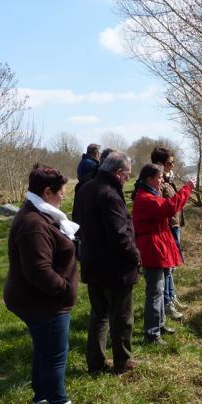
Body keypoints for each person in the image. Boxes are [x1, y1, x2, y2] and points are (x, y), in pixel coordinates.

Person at [3, 165, 88, 404]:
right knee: (54, 357)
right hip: (44, 303)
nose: (64, 197)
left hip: (39, 300)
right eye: (61, 192)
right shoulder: (34, 224)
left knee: (44, 352)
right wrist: (64, 289)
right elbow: (39, 271)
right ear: (47, 191)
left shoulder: (40, 214)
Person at [76, 151, 141, 374]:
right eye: (127, 175)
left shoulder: (86, 189)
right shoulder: (110, 195)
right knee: (122, 318)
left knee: (99, 315)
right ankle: (123, 362)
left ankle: (96, 362)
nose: (128, 179)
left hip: (92, 263)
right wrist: (135, 256)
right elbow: (119, 236)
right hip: (115, 268)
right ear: (118, 172)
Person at [132, 163, 195, 345]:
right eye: (159, 178)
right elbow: (169, 207)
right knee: (155, 291)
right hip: (152, 248)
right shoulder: (146, 198)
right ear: (149, 179)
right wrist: (187, 188)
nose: (162, 180)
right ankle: (152, 334)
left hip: (157, 246)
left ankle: (159, 325)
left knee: (159, 290)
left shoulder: (150, 194)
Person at [151, 147, 186, 321]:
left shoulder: (167, 179)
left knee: (171, 268)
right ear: (160, 164)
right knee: (167, 268)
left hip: (175, 224)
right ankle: (167, 303)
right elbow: (167, 204)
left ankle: (172, 297)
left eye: (173, 162)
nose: (173, 165)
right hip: (169, 227)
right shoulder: (157, 183)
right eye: (169, 163)